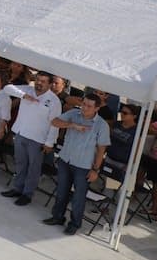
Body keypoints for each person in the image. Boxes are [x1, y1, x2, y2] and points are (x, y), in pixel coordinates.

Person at [43, 93, 111, 234]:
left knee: (79, 197)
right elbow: (54, 122)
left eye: (89, 106)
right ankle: (57, 216)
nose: (85, 107)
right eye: (84, 104)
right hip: (65, 159)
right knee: (61, 191)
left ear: (97, 108)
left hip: (83, 166)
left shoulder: (102, 125)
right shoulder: (74, 113)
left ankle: (74, 223)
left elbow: (101, 150)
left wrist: (95, 170)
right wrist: (71, 125)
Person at [0, 72, 62, 206]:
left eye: (43, 81)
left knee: (33, 168)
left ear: (50, 84)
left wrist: (49, 143)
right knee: (20, 163)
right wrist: (24, 95)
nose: (39, 83)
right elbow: (7, 88)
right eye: (38, 80)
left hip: (38, 139)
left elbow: (55, 124)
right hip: (21, 133)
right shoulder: (28, 89)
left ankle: (27, 194)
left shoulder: (54, 101)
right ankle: (17, 188)